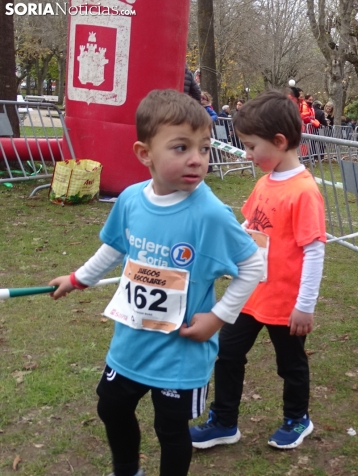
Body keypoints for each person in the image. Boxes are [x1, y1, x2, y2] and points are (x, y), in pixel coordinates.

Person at [48, 89, 264, 476]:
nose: (196, 159)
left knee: (170, 429)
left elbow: (253, 266)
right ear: (144, 153)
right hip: (131, 342)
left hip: (181, 354)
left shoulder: (211, 214)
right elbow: (114, 248)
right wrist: (77, 279)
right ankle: (127, 470)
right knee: (110, 406)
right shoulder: (131, 200)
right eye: (180, 148)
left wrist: (216, 318)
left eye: (203, 147)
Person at [190, 90, 326, 449]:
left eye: (251, 147)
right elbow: (248, 229)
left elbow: (314, 251)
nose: (246, 155)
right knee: (228, 353)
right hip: (249, 293)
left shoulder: (304, 191)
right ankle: (224, 421)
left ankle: (298, 418)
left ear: (279, 142)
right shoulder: (264, 182)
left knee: (290, 364)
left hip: (285, 303)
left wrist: (305, 304)